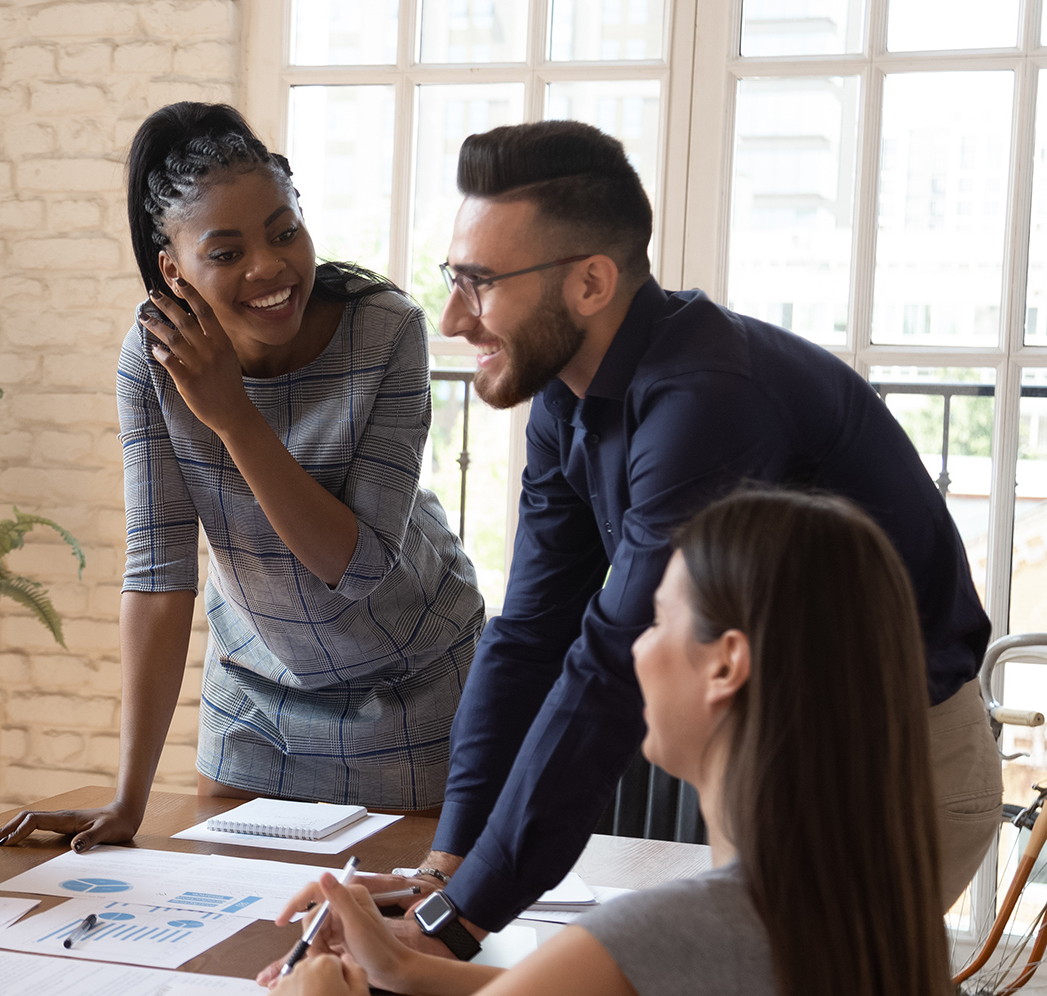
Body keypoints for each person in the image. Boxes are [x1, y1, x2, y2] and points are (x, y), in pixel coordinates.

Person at [373, 119, 995, 956]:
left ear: (591, 283)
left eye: (479, 283)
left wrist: (459, 923)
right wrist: (447, 872)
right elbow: (529, 635)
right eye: (455, 277)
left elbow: (609, 664)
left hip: (890, 772)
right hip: (773, 763)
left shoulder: (705, 402)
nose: (452, 317)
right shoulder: (568, 395)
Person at [0, 102, 485, 849]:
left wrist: (233, 414)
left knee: (388, 941)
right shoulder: (152, 358)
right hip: (256, 699)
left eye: (285, 232)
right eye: (225, 253)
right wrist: (128, 801)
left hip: (415, 691)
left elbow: (353, 566)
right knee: (230, 940)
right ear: (173, 268)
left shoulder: (388, 331)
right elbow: (158, 575)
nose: (269, 268)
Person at [268, 488, 950, 996]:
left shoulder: (670, 930)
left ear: (725, 665)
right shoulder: (869, 919)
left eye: (655, 621)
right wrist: (400, 967)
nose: (637, 653)